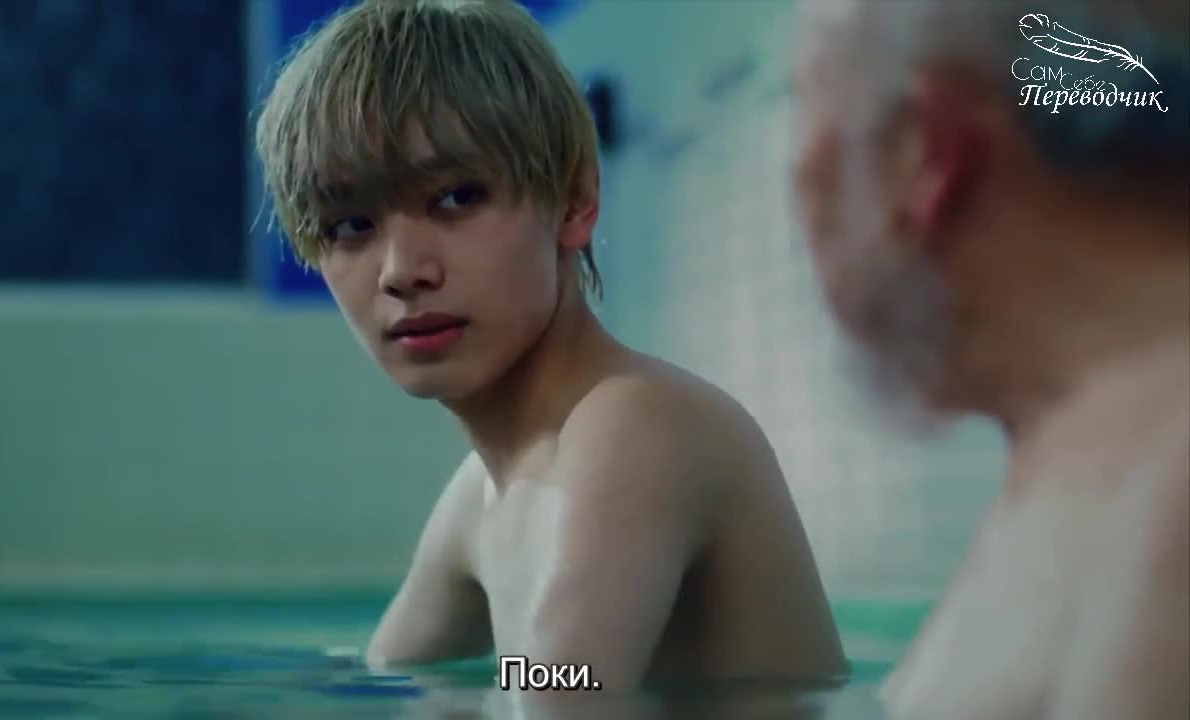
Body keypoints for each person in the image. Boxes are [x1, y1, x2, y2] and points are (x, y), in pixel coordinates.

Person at [253, 0, 848, 693]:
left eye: (456, 198)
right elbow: (387, 677)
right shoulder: (480, 498)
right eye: (351, 225)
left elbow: (558, 689)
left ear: (574, 200)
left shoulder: (634, 426)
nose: (401, 271)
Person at [791, 0, 1188, 718]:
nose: (806, 224)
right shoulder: (1089, 463)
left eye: (815, 154)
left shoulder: (1169, 510)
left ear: (924, 155)